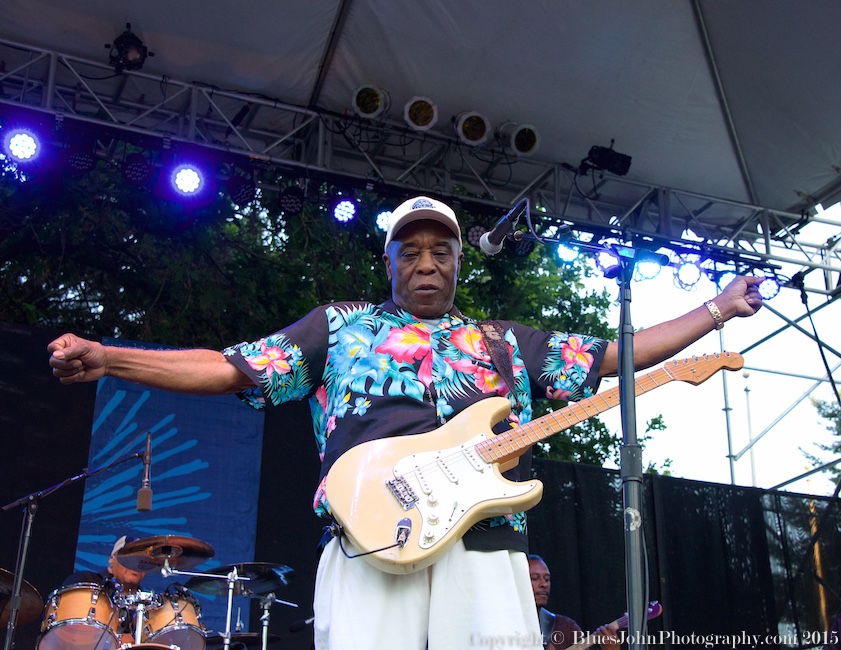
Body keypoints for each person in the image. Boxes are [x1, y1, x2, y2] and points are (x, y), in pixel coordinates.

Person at [48, 195, 764, 650]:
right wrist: (111, 358)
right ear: (387, 260)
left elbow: (616, 355)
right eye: (410, 251)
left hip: (483, 544)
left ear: (458, 263)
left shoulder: (504, 342)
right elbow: (233, 368)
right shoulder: (339, 326)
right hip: (371, 534)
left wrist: (716, 310)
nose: (426, 264)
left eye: (441, 252)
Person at [60, 535, 146, 644]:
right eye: (129, 557)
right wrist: (117, 639)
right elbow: (68, 629)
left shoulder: (148, 607)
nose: (136, 564)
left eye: (143, 560)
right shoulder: (85, 581)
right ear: (112, 560)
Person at [528, 554, 620, 650]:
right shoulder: (511, 623)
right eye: (534, 578)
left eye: (547, 579)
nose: (544, 584)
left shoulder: (566, 628)